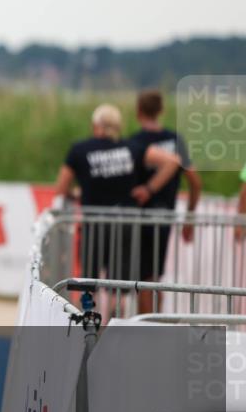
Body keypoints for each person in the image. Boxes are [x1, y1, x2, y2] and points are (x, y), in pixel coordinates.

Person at [54, 104, 182, 295]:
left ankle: (88, 320)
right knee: (119, 284)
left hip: (93, 224)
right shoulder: (132, 148)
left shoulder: (79, 150)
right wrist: (149, 188)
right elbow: (173, 161)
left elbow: (61, 187)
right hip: (125, 225)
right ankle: (116, 319)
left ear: (96, 124)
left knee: (88, 281)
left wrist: (74, 195)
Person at [127, 90, 202, 301]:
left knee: (141, 280)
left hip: (137, 218)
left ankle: (145, 331)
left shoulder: (134, 141)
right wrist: (190, 218)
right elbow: (195, 183)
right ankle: (155, 327)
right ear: (161, 111)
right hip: (165, 216)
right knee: (155, 278)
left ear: (138, 111)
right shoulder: (176, 140)